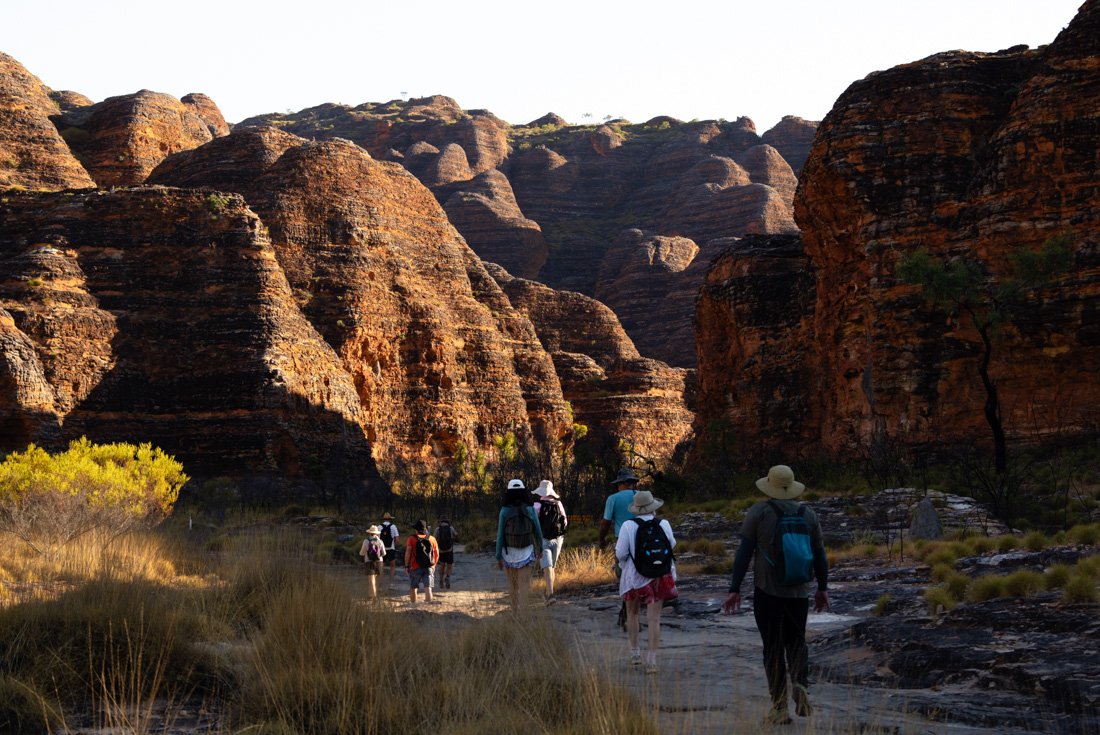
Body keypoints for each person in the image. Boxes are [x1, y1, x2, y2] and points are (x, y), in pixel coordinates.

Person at [721, 465, 830, 725]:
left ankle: (779, 708)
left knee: (772, 647)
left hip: (767, 592)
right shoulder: (809, 514)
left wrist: (734, 589)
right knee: (797, 641)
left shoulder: (758, 512)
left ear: (769, 486)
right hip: (799, 593)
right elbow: (821, 556)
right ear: (792, 487)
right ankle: (801, 685)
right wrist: (822, 589)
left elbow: (744, 554)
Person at [616, 489, 677, 674]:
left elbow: (621, 553)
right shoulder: (663, 523)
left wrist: (624, 563)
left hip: (635, 576)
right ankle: (652, 660)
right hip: (659, 575)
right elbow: (672, 544)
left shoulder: (628, 525)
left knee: (632, 613)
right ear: (652, 508)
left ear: (636, 508)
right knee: (654, 618)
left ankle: (635, 654)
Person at [495, 479, 543, 611]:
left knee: (513, 586)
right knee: (524, 587)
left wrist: (498, 556)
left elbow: (500, 535)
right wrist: (540, 548)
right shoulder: (530, 509)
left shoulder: (504, 510)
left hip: (509, 553)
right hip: (527, 550)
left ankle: (514, 614)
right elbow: (538, 531)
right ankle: (524, 616)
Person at [533, 480, 568, 603]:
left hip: (543, 538)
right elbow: (565, 522)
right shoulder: (558, 504)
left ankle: (550, 595)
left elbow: (534, 524)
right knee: (552, 566)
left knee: (547, 566)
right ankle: (549, 593)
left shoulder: (537, 505)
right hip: (558, 539)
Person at [598, 467, 639, 550]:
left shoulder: (613, 499)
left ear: (619, 484)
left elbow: (606, 523)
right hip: (642, 537)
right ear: (632, 483)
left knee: (621, 561)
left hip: (623, 539)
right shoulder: (642, 496)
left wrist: (601, 539)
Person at [405, 519, 439, 604]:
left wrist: (406, 566)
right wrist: (434, 565)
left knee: (413, 588)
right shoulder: (432, 539)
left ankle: (413, 605)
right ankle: (428, 607)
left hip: (415, 567)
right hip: (429, 567)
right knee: (428, 588)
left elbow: (408, 552)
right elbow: (437, 554)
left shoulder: (411, 539)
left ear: (416, 530)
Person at [358, 525, 387, 599]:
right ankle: (370, 594)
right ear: (376, 533)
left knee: (371, 580)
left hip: (369, 561)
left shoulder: (366, 541)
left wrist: (364, 554)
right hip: (379, 562)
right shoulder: (380, 541)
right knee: (373, 578)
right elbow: (384, 553)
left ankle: (373, 596)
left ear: (370, 533)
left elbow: (362, 552)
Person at [434, 517, 459, 588]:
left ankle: (441, 581)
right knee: (449, 565)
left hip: (441, 550)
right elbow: (456, 535)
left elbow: (433, 539)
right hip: (449, 550)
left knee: (442, 566)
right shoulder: (450, 528)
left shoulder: (437, 529)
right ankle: (447, 577)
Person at [379, 512, 400, 589]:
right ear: (390, 519)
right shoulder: (393, 527)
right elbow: (397, 540)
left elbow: (377, 539)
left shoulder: (379, 527)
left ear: (383, 519)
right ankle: (391, 584)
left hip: (382, 549)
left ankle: (381, 584)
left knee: (381, 566)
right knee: (392, 566)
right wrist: (394, 546)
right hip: (391, 549)